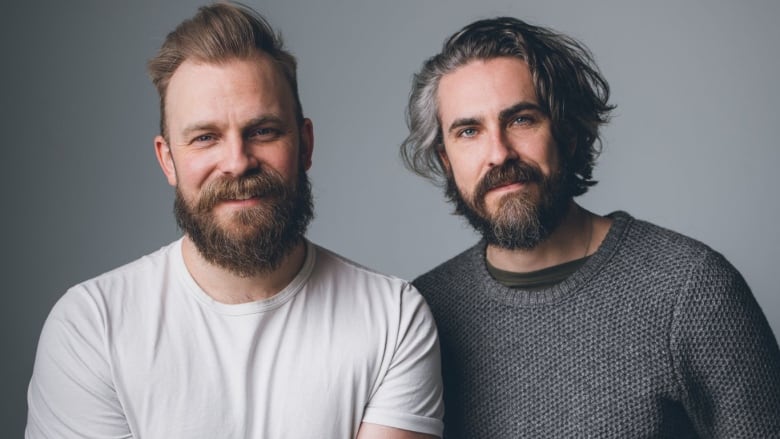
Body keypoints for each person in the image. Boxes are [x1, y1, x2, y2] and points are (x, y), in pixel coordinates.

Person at [26, 4, 443, 438]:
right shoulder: (91, 326)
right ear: (168, 160)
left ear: (305, 144)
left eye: (262, 131)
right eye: (205, 138)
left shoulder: (393, 317)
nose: (237, 162)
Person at [400, 16, 780, 438]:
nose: (498, 153)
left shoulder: (691, 289)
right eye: (469, 131)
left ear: (568, 132)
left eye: (522, 119)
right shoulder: (420, 315)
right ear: (446, 160)